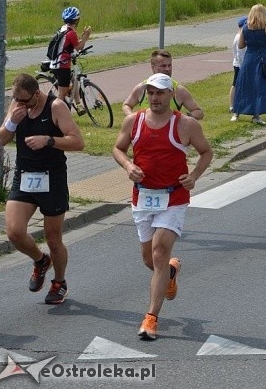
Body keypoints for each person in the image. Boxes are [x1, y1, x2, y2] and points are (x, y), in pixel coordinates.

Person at [113, 73, 213, 340]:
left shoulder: (186, 125)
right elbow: (118, 149)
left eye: (160, 93)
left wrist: (193, 176)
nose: (155, 98)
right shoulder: (133, 121)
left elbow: (207, 152)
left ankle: (151, 319)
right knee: (150, 259)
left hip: (174, 197)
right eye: (151, 93)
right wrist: (128, 165)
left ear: (171, 95)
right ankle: (171, 272)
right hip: (143, 197)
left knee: (159, 251)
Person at [0, 73, 84, 305]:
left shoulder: (56, 106)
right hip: (24, 177)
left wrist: (49, 140)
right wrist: (12, 122)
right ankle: (40, 260)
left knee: (53, 238)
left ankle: (59, 282)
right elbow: (2, 139)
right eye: (16, 99)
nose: (20, 104)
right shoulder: (17, 106)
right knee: (14, 232)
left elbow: (78, 141)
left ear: (37, 94)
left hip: (52, 178)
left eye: (24, 100)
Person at [231, 4, 266, 125]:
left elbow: (241, 45)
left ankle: (236, 112)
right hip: (263, 58)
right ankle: (256, 115)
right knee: (260, 86)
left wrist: (250, 40)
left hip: (249, 58)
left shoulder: (245, 28)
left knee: (244, 84)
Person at [122, 49, 204, 120]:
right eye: (163, 66)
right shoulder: (142, 88)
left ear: (171, 93)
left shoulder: (179, 90)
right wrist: (133, 118)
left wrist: (182, 119)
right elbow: (127, 105)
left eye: (169, 65)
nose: (167, 69)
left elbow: (198, 112)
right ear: (153, 67)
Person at [53, 6, 91, 116]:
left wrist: (81, 39)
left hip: (56, 62)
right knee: (62, 93)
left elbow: (69, 45)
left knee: (74, 79)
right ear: (77, 20)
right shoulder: (71, 33)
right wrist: (86, 37)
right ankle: (56, 115)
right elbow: (78, 47)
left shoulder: (63, 29)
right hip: (62, 65)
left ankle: (79, 105)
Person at [229, 16, 247, 116]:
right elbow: (239, 54)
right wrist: (242, 66)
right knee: (236, 84)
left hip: (239, 63)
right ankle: (232, 105)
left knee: (236, 84)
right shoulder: (239, 37)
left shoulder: (239, 36)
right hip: (240, 64)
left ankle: (234, 105)